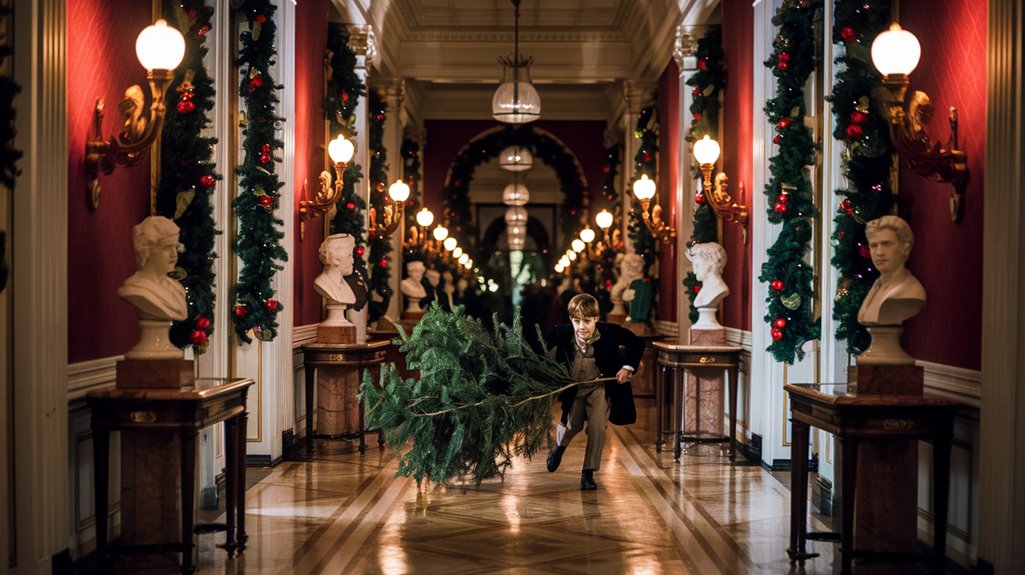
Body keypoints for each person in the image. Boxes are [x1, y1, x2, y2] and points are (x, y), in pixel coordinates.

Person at [545, 293, 644, 490]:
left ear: (596, 319)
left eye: (587, 321)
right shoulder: (561, 333)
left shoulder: (611, 332)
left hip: (599, 387)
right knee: (573, 425)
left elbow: (637, 344)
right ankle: (559, 448)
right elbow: (538, 350)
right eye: (576, 321)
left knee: (598, 427)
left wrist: (627, 367)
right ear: (571, 320)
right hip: (575, 389)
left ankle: (588, 472)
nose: (581, 327)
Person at [857, 215, 926, 326]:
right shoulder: (877, 285)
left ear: (905, 248)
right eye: (874, 246)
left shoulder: (912, 292)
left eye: (886, 244)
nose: (879, 252)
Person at [118, 216, 187, 321]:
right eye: (167, 247)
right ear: (147, 250)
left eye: (175, 247)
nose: (174, 255)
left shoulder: (177, 289)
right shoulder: (136, 289)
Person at [314, 234, 356, 306]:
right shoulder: (322, 283)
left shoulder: (344, 285)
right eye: (349, 255)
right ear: (336, 260)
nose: (352, 261)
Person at [686, 242, 730, 309]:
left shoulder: (720, 289)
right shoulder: (705, 290)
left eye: (697, 265)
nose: (694, 271)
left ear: (711, 263)